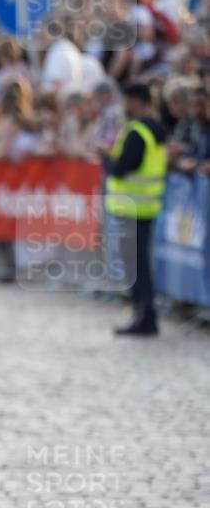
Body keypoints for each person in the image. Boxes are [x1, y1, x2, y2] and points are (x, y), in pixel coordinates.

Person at [102, 82, 167, 336]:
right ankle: (144, 315)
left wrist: (107, 158)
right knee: (140, 265)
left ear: (137, 101)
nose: (124, 106)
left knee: (136, 267)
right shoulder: (154, 129)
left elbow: (121, 167)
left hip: (132, 207)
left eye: (127, 101)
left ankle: (145, 318)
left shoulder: (138, 131)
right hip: (144, 207)